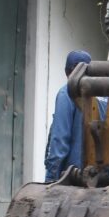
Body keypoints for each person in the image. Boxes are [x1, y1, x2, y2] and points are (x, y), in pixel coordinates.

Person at [44, 50, 92, 182]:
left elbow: (59, 140)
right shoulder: (104, 97)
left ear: (66, 71)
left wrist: (51, 176)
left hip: (72, 178)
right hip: (97, 178)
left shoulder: (66, 93)